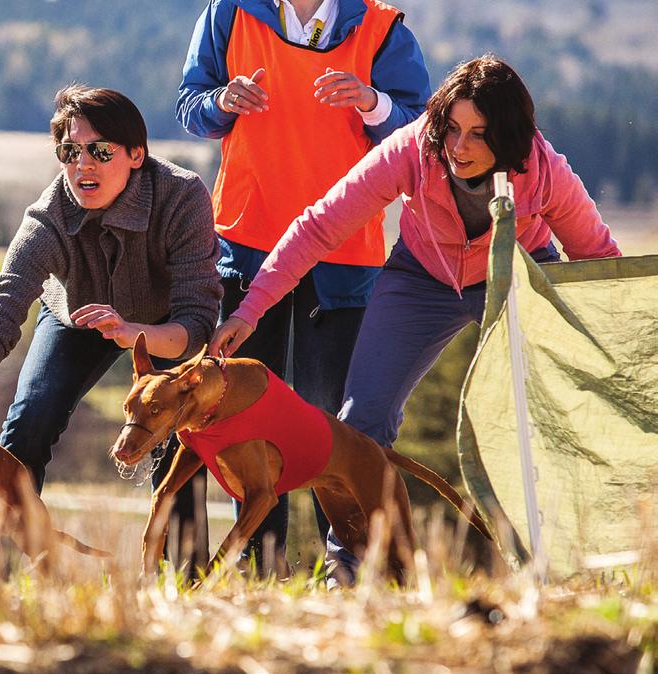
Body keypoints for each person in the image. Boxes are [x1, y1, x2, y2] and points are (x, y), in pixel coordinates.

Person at [210, 55, 622, 583]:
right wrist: (251, 308)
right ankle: (355, 570)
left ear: (510, 136)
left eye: (478, 134)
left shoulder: (544, 173)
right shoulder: (412, 148)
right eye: (452, 128)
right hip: (421, 278)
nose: (458, 147)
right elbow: (319, 226)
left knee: (546, 416)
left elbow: (598, 258)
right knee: (360, 422)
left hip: (516, 273)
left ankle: (559, 567)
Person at [0, 84, 222, 569]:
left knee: (176, 432)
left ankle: (185, 575)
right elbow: (1, 308)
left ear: (137, 155)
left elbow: (196, 324)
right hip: (76, 316)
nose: (83, 165)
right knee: (29, 420)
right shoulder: (49, 217)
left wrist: (133, 331)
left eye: (100, 151)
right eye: (70, 151)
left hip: (166, 324)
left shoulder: (182, 197)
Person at [177, 0, 431, 572]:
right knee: (246, 416)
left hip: (344, 251)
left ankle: (347, 571)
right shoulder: (228, 13)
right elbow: (189, 106)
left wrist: (372, 102)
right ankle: (260, 566)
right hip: (245, 241)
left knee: (331, 424)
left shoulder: (381, 25)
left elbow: (423, 129)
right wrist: (220, 101)